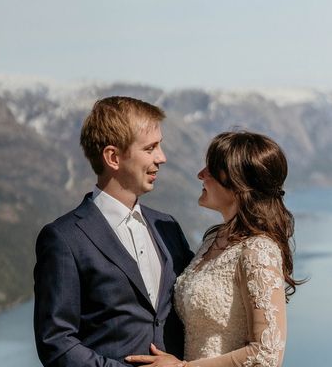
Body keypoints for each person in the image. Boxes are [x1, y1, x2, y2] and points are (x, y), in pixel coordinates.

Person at [34, 96, 194, 367]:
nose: (162, 158)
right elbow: (56, 343)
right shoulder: (64, 238)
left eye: (160, 146)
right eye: (150, 148)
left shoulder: (167, 226)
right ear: (113, 157)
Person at [126, 131, 302, 367]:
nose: (200, 174)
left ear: (237, 183)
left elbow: (267, 354)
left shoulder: (258, 250)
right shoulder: (214, 239)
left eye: (211, 169)